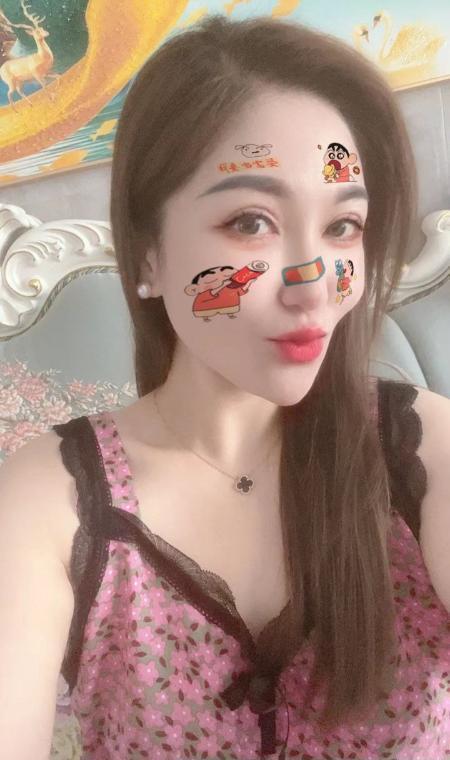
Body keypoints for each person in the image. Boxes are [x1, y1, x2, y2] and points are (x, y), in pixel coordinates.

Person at [1, 13, 449, 760]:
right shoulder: (55, 502)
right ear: (147, 252)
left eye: (344, 227)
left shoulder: (422, 453)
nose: (314, 286)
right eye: (251, 221)